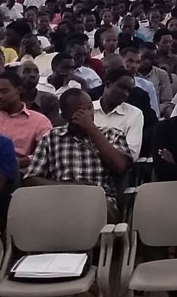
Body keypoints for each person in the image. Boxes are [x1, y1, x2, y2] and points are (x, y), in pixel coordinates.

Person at [23, 89, 132, 222]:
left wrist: (91, 129)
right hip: (59, 201)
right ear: (64, 115)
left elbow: (120, 166)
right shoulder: (51, 137)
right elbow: (31, 179)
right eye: (80, 110)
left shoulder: (112, 134)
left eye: (90, 108)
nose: (88, 114)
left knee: (92, 208)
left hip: (99, 202)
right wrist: (71, 188)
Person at [0, 70, 52, 169]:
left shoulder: (39, 121)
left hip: (18, 172)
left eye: (4, 91)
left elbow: (49, 152)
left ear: (18, 90)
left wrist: (21, 162)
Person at [93, 68, 144, 161]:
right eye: (122, 87)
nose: (125, 93)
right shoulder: (88, 108)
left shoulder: (134, 114)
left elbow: (132, 154)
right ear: (107, 84)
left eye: (129, 90)